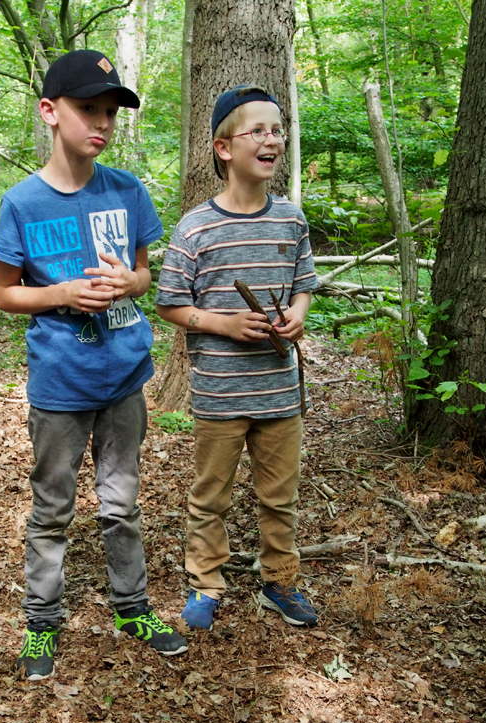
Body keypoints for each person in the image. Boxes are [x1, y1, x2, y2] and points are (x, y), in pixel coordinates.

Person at [0, 49, 187, 681]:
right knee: (52, 507)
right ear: (50, 112)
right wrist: (62, 294)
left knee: (120, 503)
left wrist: (126, 284)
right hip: (60, 382)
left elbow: (144, 275)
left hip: (124, 375)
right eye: (87, 109)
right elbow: (5, 293)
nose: (100, 123)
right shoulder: (22, 203)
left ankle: (132, 607)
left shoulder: (126, 191)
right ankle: (42, 622)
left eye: (109, 111)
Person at [155, 85, 320, 632]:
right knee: (211, 495)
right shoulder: (196, 226)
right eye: (259, 131)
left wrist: (297, 312)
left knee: (281, 495)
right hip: (220, 393)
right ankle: (205, 583)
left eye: (278, 130)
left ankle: (280, 581)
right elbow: (171, 303)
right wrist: (222, 323)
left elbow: (304, 284)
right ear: (225, 149)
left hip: (279, 390)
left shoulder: (291, 220)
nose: (273, 140)